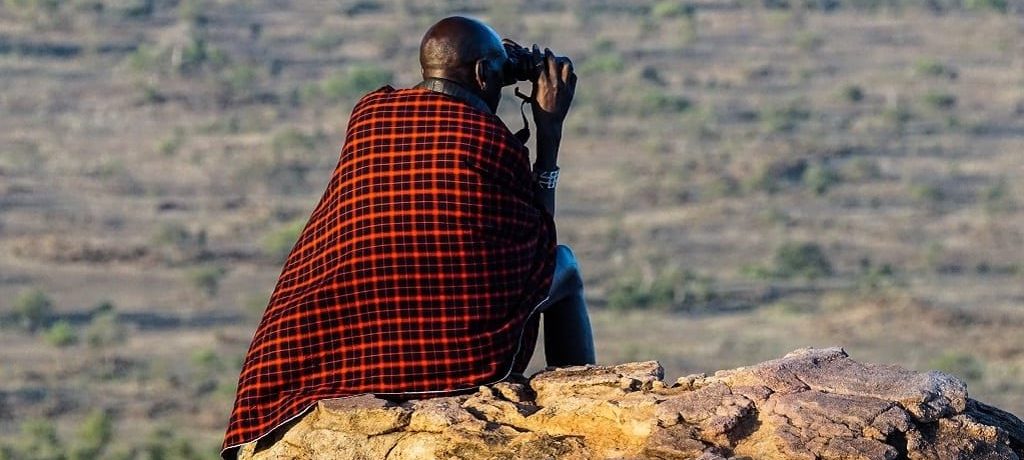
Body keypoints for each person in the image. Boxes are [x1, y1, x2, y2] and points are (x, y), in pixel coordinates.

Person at [220, 15, 594, 459]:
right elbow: (536, 245)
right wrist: (548, 134)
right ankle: (584, 399)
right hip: (446, 340)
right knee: (564, 264)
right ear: (481, 74)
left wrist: (500, 60)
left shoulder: (370, 113)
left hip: (330, 334)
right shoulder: (488, 139)